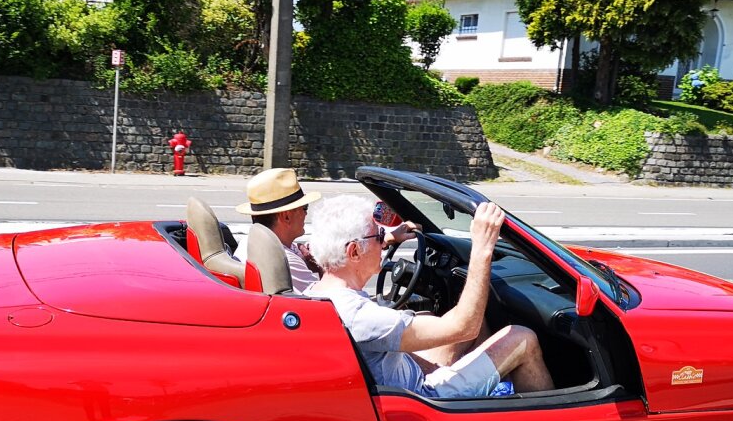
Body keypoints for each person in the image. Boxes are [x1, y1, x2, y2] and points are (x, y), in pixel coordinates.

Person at [305, 195, 555, 399]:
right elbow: (463, 326)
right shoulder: (361, 317)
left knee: (462, 326)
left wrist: (392, 236)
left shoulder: (314, 295)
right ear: (354, 251)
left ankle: (486, 407)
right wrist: (482, 248)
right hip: (423, 396)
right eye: (379, 236)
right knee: (522, 338)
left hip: (402, 376)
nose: (383, 243)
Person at [236, 168, 323, 292]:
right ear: (286, 216)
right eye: (304, 207)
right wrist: (323, 268)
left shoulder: (249, 241)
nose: (305, 214)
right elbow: (327, 302)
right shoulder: (284, 260)